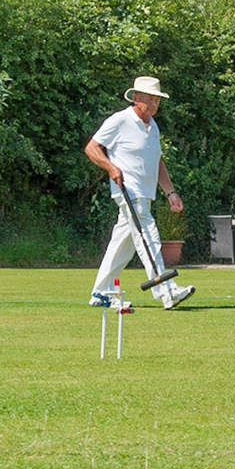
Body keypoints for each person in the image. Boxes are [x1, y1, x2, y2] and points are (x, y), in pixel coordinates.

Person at [85, 76, 195, 309]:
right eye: (150, 99)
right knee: (148, 235)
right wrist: (111, 167)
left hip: (146, 193)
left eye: (157, 99)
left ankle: (100, 292)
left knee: (122, 244)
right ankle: (165, 291)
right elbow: (92, 148)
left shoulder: (153, 127)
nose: (154, 104)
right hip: (128, 190)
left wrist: (171, 192)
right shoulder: (120, 120)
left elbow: (157, 162)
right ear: (135, 98)